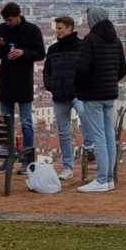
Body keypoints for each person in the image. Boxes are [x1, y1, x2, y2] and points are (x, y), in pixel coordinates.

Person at [75, 7, 126, 193]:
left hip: (92, 95)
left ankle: (101, 179)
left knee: (98, 138)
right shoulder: (116, 40)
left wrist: (81, 87)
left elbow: (80, 69)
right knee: (109, 136)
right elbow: (122, 69)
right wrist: (110, 82)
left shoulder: (90, 40)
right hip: (109, 95)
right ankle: (110, 178)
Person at [0, 2, 46, 175]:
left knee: (26, 123)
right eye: (6, 20)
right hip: (6, 81)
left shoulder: (32, 30)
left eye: (10, 20)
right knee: (6, 125)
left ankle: (27, 161)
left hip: (23, 82)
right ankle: (7, 160)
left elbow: (40, 53)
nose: (8, 23)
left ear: (18, 16)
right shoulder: (2, 28)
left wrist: (23, 53)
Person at [43, 15, 89, 181]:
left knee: (86, 117)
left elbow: (88, 69)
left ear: (69, 28)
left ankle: (90, 148)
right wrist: (50, 85)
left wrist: (81, 86)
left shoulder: (81, 46)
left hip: (77, 94)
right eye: (57, 28)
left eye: (60, 28)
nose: (57, 31)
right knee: (63, 133)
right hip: (59, 95)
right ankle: (68, 167)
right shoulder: (53, 49)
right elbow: (46, 70)